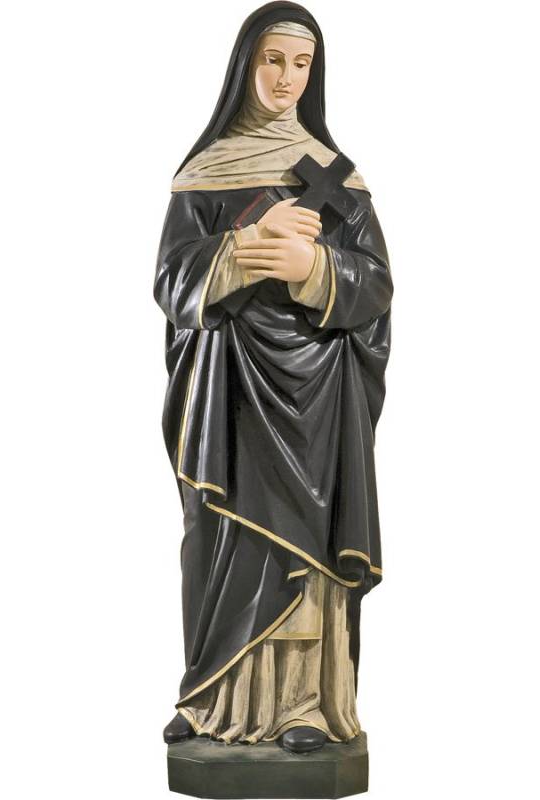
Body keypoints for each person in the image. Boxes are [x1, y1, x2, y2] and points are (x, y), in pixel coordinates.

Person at [154, 1, 392, 754]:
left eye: (302, 63)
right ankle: (211, 693)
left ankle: (304, 707)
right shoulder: (204, 172)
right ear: (244, 65)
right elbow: (172, 282)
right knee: (217, 531)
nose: (287, 78)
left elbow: (376, 286)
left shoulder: (335, 176)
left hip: (313, 393)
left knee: (303, 543)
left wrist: (314, 267)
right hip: (227, 385)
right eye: (272, 60)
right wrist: (242, 248)